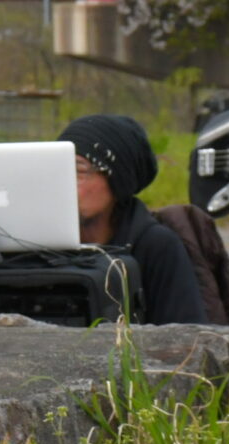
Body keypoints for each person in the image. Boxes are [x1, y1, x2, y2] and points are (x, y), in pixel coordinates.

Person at [61, 114, 205, 324]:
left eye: (78, 171)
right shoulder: (35, 244)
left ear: (117, 180)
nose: (64, 182)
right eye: (59, 170)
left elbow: (188, 335)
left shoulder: (156, 247)